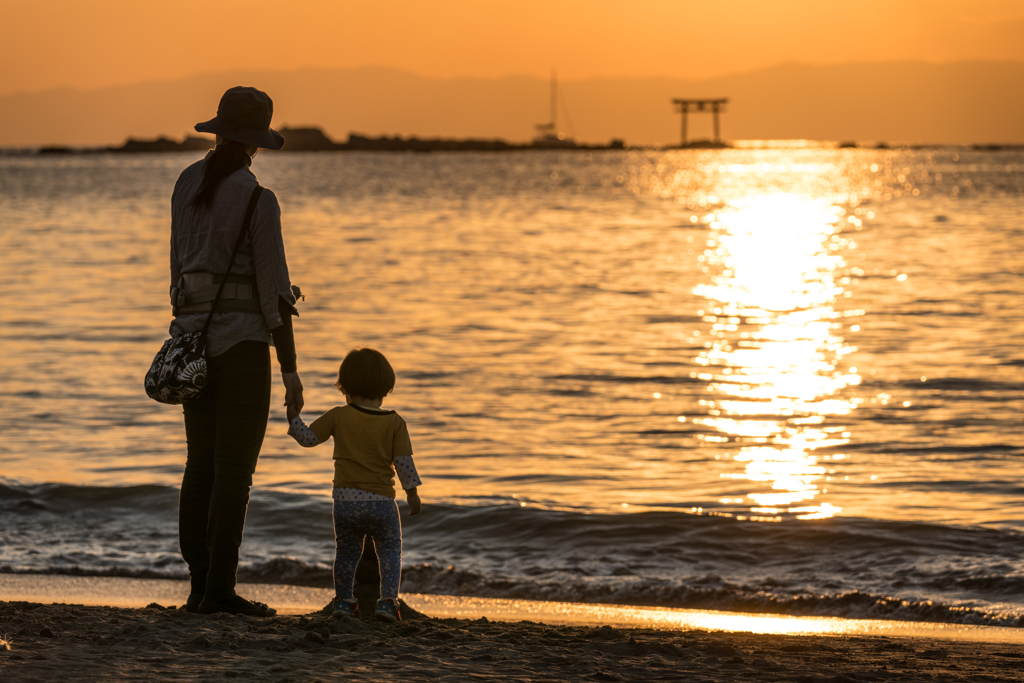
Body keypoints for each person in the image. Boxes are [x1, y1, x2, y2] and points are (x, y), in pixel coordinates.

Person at [170, 86, 302, 617]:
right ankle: (220, 591)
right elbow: (275, 292)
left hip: (191, 344)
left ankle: (200, 588)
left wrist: (185, 327)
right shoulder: (258, 199)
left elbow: (177, 270)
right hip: (244, 350)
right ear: (255, 143)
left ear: (220, 131)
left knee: (199, 466)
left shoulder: (185, 184)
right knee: (234, 473)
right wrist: (290, 369)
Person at [286, 348, 423, 623]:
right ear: (385, 388)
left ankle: (344, 601)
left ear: (345, 388)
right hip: (382, 503)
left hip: (345, 502)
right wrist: (412, 494)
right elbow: (404, 463)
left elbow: (308, 438)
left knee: (346, 552)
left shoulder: (338, 415)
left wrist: (293, 415)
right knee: (390, 549)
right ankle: (387, 602)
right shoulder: (395, 422)